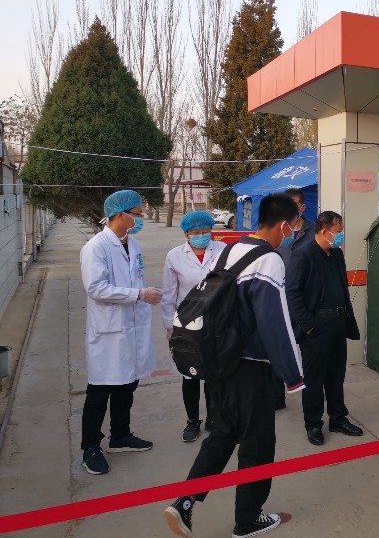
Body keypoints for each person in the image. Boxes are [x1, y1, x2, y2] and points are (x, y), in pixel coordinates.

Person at [164, 194, 305, 538]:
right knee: (257, 445)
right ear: (283, 225)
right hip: (251, 370)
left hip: (220, 364)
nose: (292, 234)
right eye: (293, 227)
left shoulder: (229, 251)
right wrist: (293, 375)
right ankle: (247, 520)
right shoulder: (269, 260)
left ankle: (184, 503)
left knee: (223, 435)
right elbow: (275, 321)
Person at [78, 190, 162, 475]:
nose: (141, 218)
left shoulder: (132, 244)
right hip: (109, 330)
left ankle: (120, 435)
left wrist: (143, 293)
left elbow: (136, 278)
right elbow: (95, 288)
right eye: (137, 214)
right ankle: (90, 447)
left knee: (128, 383)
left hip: (132, 325)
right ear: (120, 215)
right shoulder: (96, 247)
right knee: (100, 390)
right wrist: (139, 294)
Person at [286, 210, 363, 446]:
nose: (341, 236)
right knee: (314, 379)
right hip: (316, 328)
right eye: (338, 231)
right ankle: (313, 424)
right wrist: (308, 326)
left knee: (336, 375)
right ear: (324, 231)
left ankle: (338, 418)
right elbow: (292, 293)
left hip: (337, 324)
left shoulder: (336, 254)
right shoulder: (303, 254)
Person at [161, 210, 227, 442]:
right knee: (189, 374)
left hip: (215, 321)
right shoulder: (175, 256)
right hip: (186, 323)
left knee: (212, 373)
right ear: (186, 234)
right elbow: (169, 293)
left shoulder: (222, 250)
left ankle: (212, 417)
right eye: (196, 232)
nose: (201, 236)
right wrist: (169, 325)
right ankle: (192, 420)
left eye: (205, 231)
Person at [272, 188, 313, 410]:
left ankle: (310, 403)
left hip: (305, 305)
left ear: (302, 207)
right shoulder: (277, 233)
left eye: (293, 204)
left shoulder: (314, 232)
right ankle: (276, 397)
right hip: (279, 302)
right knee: (277, 350)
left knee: (308, 355)